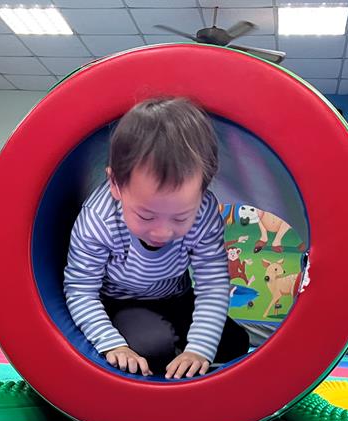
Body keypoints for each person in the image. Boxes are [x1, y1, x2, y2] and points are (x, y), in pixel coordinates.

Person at [64, 97, 250, 379]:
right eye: (146, 216)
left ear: (203, 190)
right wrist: (113, 344)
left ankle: (178, 347)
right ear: (116, 185)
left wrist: (199, 349)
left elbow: (212, 284)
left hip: (176, 295)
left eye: (180, 218)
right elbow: (81, 290)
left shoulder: (204, 211)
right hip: (119, 301)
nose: (162, 232)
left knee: (235, 342)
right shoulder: (99, 220)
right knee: (150, 349)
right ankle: (165, 347)